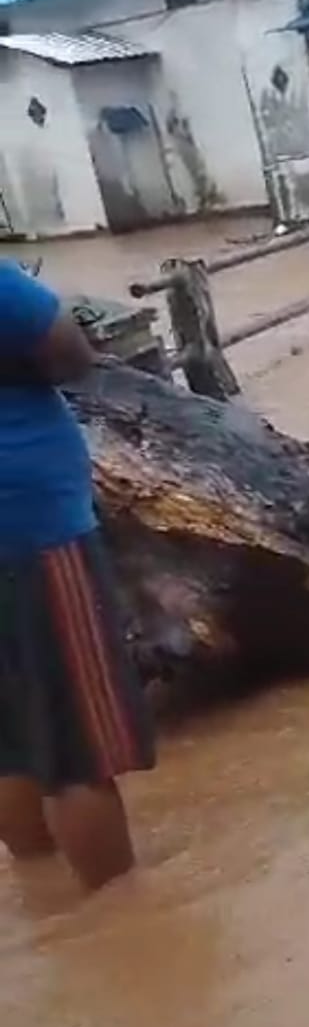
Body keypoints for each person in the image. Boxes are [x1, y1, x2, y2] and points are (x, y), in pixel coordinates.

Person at [0, 263, 154, 891]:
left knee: (9, 736)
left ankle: (47, 904)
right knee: (77, 750)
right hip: (31, 528)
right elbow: (69, 352)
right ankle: (123, 925)